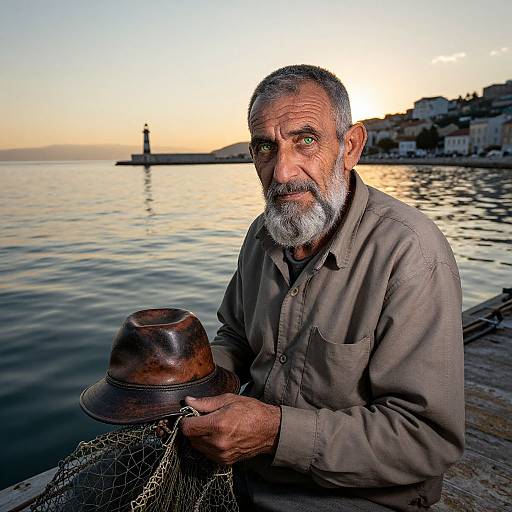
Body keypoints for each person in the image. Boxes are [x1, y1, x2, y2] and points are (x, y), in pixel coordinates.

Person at [179, 65, 465, 511]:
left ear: (349, 147)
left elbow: (425, 439)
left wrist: (274, 431)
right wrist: (188, 382)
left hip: (358, 498)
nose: (281, 171)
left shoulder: (411, 254)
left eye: (305, 140)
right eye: (265, 148)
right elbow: (235, 338)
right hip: (248, 476)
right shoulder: (262, 234)